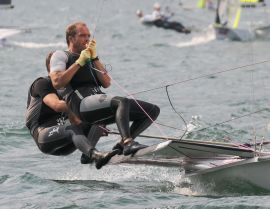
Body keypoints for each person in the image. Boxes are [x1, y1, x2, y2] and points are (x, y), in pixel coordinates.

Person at [49, 22, 160, 156]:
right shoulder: (61, 55)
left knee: (151, 110)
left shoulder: (89, 57)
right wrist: (79, 62)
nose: (87, 39)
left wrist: (94, 57)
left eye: (88, 36)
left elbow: (106, 83)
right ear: (71, 38)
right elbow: (57, 82)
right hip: (80, 104)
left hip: (95, 102)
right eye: (82, 35)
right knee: (121, 102)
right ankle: (128, 143)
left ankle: (119, 147)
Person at [25, 51, 118, 169]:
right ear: (52, 66)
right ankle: (94, 154)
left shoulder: (67, 87)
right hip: (43, 136)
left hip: (66, 140)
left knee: (98, 117)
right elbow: (58, 105)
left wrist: (95, 128)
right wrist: (75, 113)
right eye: (65, 65)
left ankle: (91, 154)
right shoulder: (42, 83)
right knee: (73, 129)